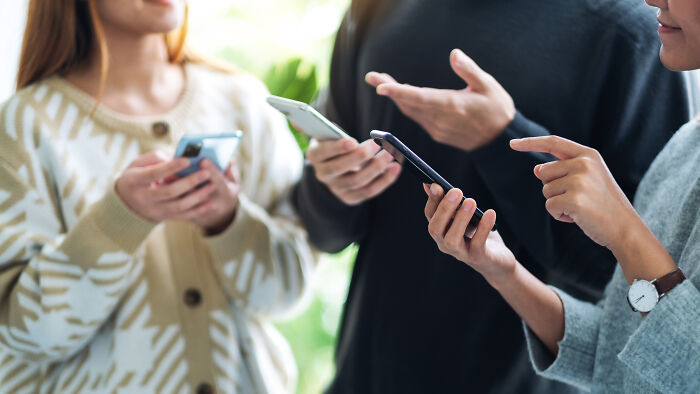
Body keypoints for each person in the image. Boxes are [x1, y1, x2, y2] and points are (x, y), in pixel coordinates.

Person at [292, 0, 690, 392]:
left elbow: (633, 287)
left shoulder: (641, 34)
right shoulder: (375, 8)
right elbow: (324, 232)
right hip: (365, 375)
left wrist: (500, 140)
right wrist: (333, 185)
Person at [0, 0, 314, 392]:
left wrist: (229, 221)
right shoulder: (22, 128)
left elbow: (287, 292)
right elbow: (23, 332)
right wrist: (117, 222)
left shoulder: (244, 103)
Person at [423, 0, 700, 391]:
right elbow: (619, 352)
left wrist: (624, 231)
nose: (655, 0)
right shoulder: (690, 140)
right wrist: (505, 272)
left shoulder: (624, 33)